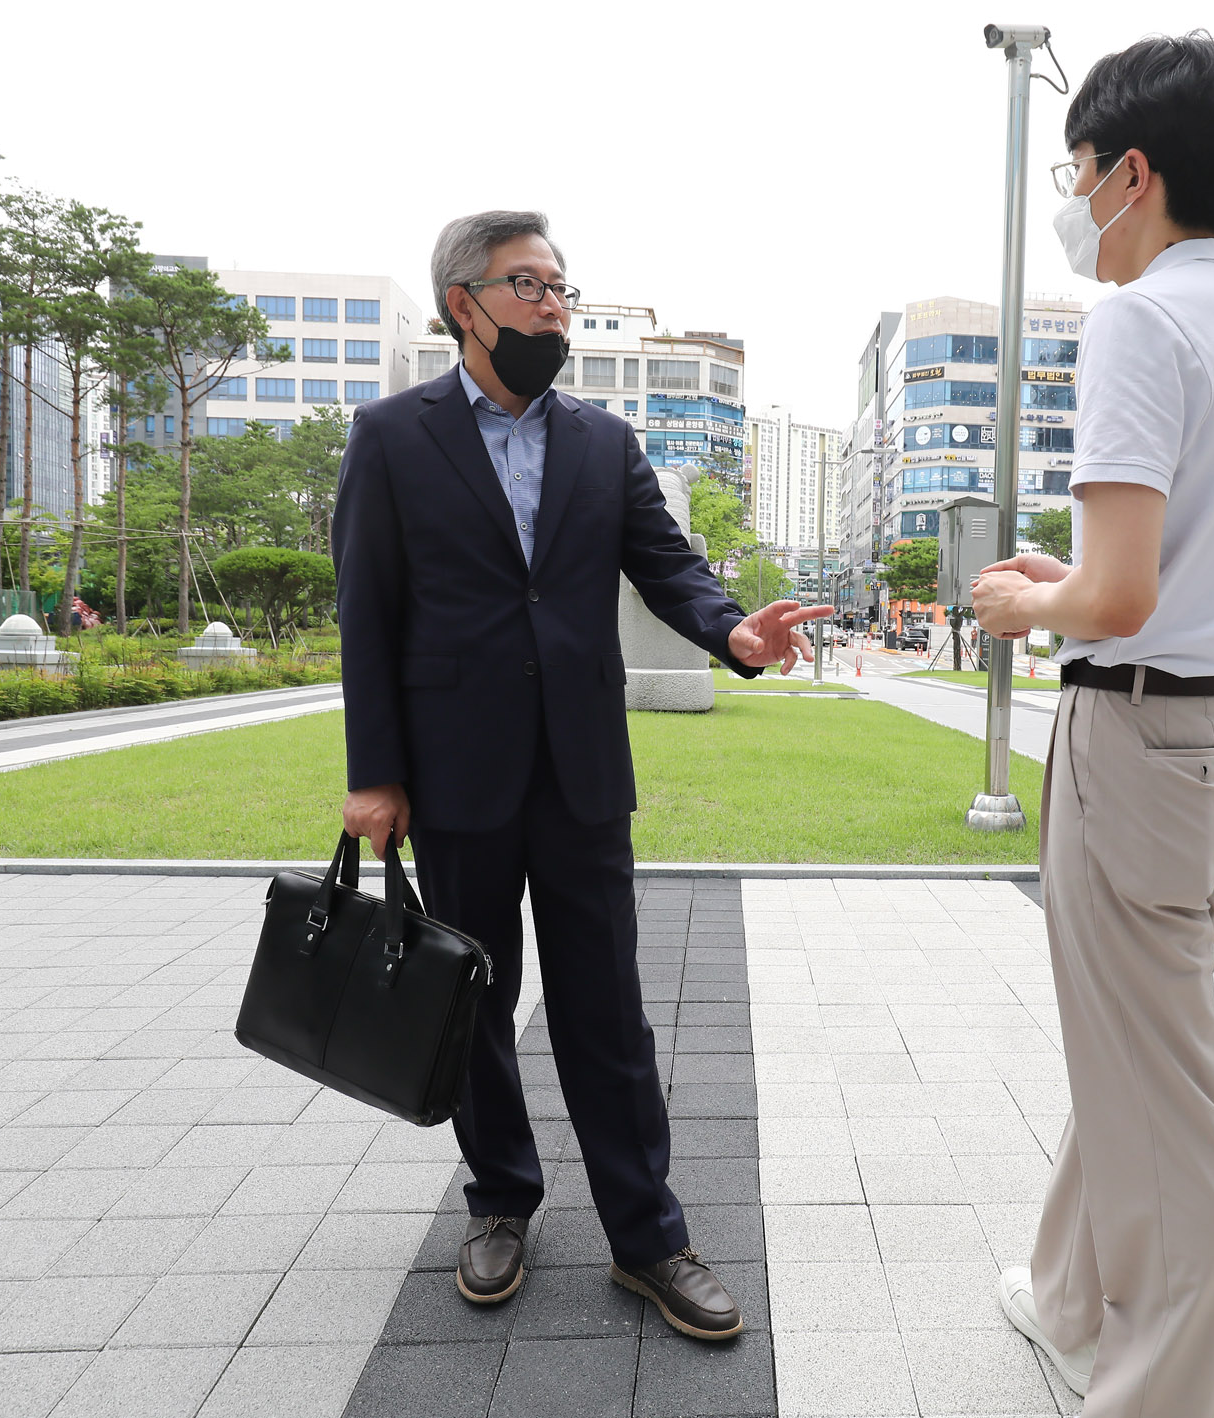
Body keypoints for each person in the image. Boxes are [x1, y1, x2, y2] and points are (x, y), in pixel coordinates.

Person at [333, 210, 827, 1341]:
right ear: (465, 304)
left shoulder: (604, 442)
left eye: (561, 285)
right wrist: (375, 774)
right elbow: (367, 613)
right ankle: (501, 1199)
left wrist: (732, 634)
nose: (554, 304)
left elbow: (667, 566)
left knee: (608, 1013)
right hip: (454, 771)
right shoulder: (391, 437)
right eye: (529, 285)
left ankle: (648, 1237)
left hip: (582, 772)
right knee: (475, 1001)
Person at [970, 34, 1214, 1418]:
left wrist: (1018, 599)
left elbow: (1114, 592)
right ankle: (1065, 1295)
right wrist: (1079, 594)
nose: (1074, 198)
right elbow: (1189, 574)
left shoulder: (1140, 320)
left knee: (1167, 1103)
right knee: (1136, 1044)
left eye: (1078, 170)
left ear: (1133, 173)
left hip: (1143, 752)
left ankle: (1156, 1391)